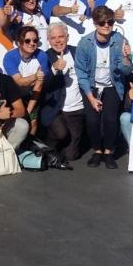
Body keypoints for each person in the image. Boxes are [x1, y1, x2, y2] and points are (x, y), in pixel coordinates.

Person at [74, 6, 133, 169]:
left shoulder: (120, 40)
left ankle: (108, 151)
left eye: (110, 22)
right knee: (92, 120)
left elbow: (127, 71)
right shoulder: (85, 43)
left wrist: (126, 58)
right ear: (95, 23)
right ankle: (97, 150)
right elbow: (81, 72)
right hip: (92, 86)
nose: (106, 25)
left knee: (110, 119)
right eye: (102, 22)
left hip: (112, 85)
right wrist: (91, 97)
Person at [41, 22, 85, 163]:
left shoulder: (77, 52)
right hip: (56, 109)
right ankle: (45, 147)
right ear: (48, 40)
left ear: (67, 37)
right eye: (53, 38)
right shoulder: (44, 57)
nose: (58, 41)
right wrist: (54, 69)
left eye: (61, 36)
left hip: (77, 109)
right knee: (60, 133)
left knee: (71, 156)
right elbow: (42, 85)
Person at [3, 26, 49, 135]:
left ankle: (30, 143)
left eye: (35, 40)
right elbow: (19, 82)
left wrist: (28, 110)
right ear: (19, 43)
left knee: (32, 121)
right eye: (27, 41)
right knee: (12, 123)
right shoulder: (10, 56)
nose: (32, 43)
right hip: (12, 94)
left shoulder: (42, 56)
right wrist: (35, 76)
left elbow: (38, 86)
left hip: (31, 93)